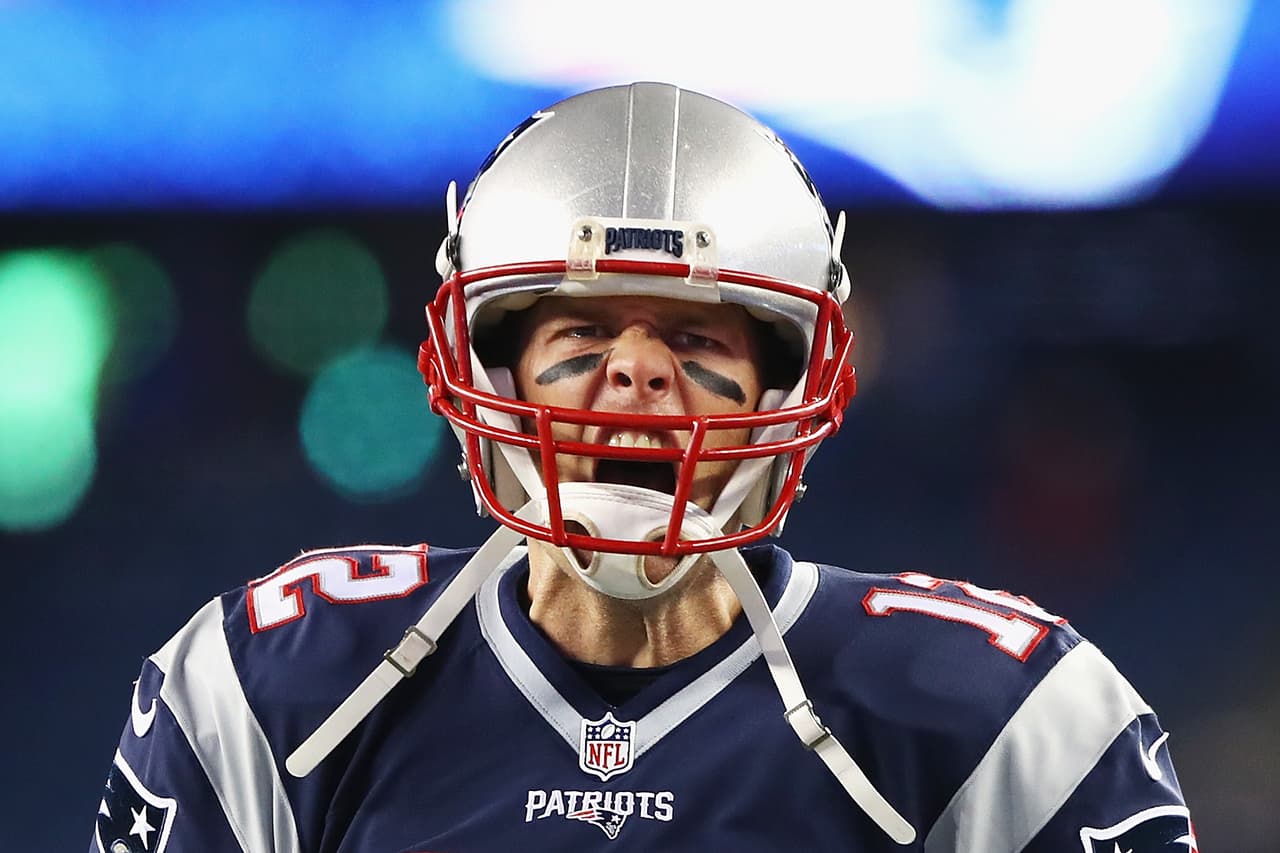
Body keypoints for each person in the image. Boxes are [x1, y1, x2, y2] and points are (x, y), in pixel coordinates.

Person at [91, 82, 1196, 852]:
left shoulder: (1003, 716)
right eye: (579, 340)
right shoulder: (274, 685)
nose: (633, 377)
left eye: (698, 340)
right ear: (491, 373)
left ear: (788, 389)